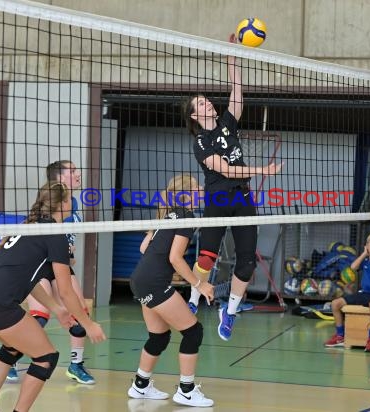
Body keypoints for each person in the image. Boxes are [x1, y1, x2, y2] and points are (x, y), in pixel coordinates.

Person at [0, 182, 106, 412]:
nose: (73, 201)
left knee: (12, 348)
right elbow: (66, 290)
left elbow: (26, 279)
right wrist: (88, 324)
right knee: (46, 357)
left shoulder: (28, 226)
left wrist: (57, 309)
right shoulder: (55, 234)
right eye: (70, 198)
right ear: (62, 203)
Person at [182, 34, 283, 341]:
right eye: (201, 102)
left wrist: (232, 58)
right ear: (194, 115)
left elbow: (238, 94)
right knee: (207, 258)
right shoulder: (200, 142)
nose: (207, 102)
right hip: (218, 198)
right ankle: (194, 300)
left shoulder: (228, 123)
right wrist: (261, 169)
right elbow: (224, 169)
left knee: (247, 261)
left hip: (242, 198)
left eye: (206, 99)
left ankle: (231, 311)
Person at [127, 174, 215, 407]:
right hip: (154, 282)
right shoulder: (186, 217)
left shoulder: (166, 216)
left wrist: (160, 266)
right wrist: (199, 284)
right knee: (193, 332)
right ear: (187, 194)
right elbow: (175, 258)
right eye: (198, 187)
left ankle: (140, 385)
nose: (202, 190)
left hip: (140, 279)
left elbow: (144, 247)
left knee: (159, 336)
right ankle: (186, 391)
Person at [7, 160, 96, 385]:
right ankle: (11, 357)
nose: (78, 174)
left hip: (60, 265)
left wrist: (68, 252)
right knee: (39, 317)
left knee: (80, 312)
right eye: (73, 171)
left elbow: (65, 241)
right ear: (59, 178)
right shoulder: (49, 204)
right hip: (39, 265)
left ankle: (76, 365)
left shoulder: (72, 203)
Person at [324, 233, 370, 352]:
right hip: (364, 293)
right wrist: (364, 253)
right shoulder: (365, 261)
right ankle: (340, 336)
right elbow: (353, 267)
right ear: (366, 245)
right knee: (335, 303)